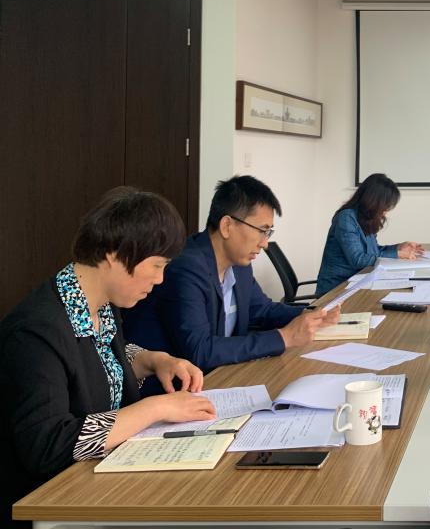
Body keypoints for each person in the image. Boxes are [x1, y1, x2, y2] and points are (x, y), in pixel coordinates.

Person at [0, 187, 215, 526]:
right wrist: (155, 408)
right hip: (51, 503)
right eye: (156, 265)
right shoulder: (35, 332)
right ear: (115, 254)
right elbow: (48, 445)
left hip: (100, 481)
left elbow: (96, 365)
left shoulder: (100, 305)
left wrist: (153, 360)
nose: (160, 279)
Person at [124, 175, 337, 374]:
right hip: (171, 388)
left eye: (268, 232)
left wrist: (311, 314)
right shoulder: (186, 268)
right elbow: (200, 351)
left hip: (222, 376)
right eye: (262, 231)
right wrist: (284, 337)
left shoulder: (239, 264)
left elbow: (261, 309)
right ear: (227, 226)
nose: (265, 243)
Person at [315, 173, 423, 296]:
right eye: (385, 205)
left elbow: (374, 251)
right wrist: (398, 255)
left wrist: (398, 248)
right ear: (374, 201)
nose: (386, 211)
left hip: (358, 283)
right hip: (336, 289)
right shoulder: (346, 218)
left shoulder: (367, 218)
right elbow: (358, 259)